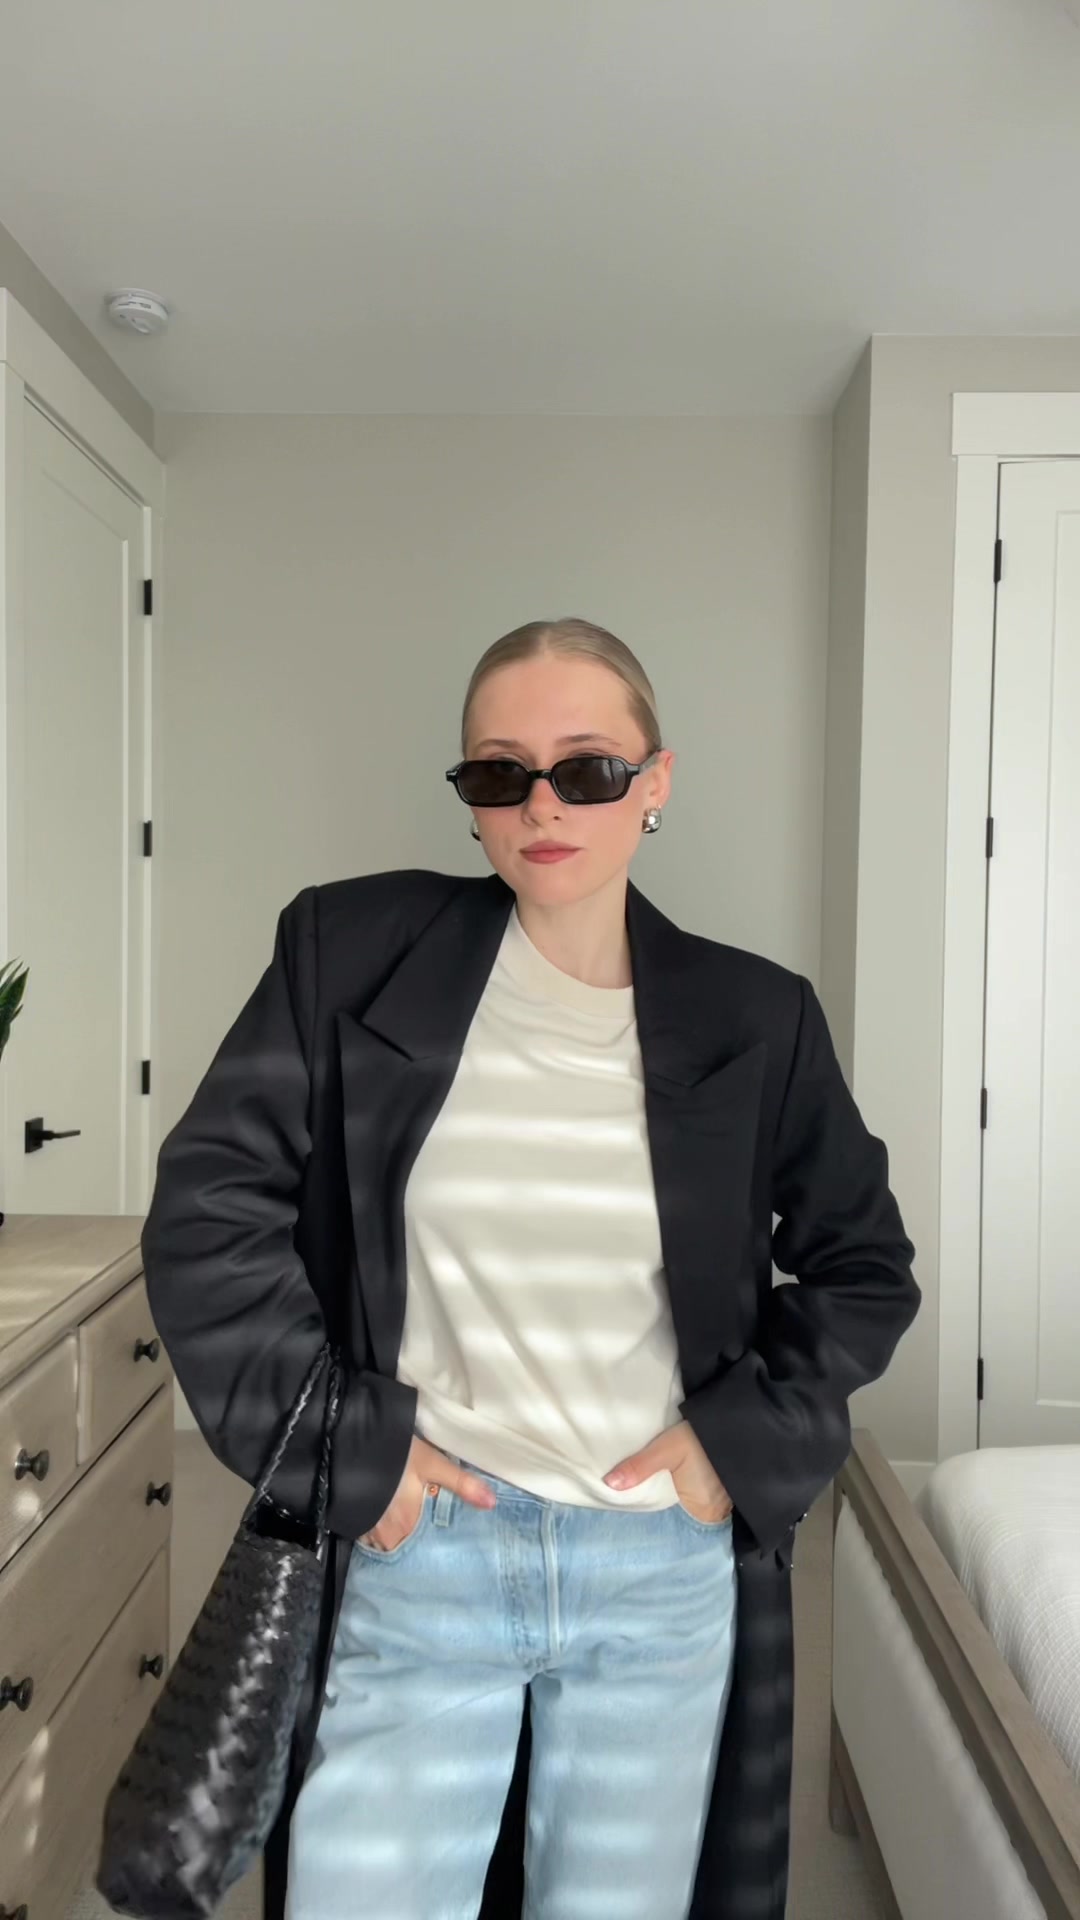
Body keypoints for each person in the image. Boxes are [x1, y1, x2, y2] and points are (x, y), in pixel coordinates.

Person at [141, 616, 920, 1920]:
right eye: (501, 772)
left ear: (656, 781)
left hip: (656, 1569)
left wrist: (735, 1445)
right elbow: (209, 1209)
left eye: (589, 769)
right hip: (422, 1545)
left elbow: (863, 1265)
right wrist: (342, 1444)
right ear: (470, 795)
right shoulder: (349, 954)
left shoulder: (755, 1016)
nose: (542, 806)